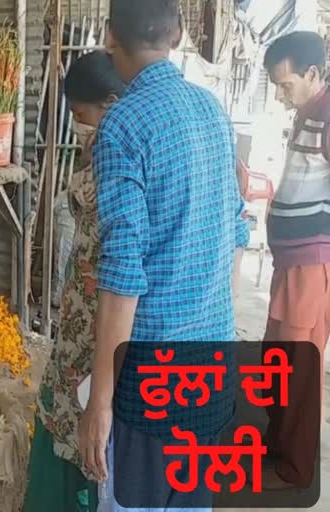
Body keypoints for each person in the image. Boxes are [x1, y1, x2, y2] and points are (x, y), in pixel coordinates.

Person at [76, 1, 249, 511]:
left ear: (110, 38)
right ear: (176, 34)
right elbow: (237, 231)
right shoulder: (213, 110)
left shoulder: (123, 126)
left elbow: (122, 276)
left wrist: (100, 404)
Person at [24, 51, 126, 512]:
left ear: (109, 101)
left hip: (101, 317)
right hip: (78, 309)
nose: (80, 127)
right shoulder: (101, 150)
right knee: (61, 402)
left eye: (82, 117)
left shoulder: (125, 158)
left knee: (87, 415)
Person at [261, 31, 329, 490]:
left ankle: (296, 468)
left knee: (297, 367)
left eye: (286, 85)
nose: (282, 96)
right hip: (293, 262)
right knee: (276, 359)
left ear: (313, 74)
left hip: (309, 265)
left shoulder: (327, 113)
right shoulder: (309, 112)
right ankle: (276, 446)